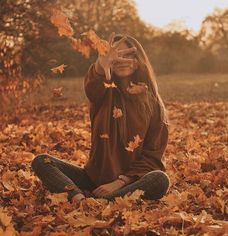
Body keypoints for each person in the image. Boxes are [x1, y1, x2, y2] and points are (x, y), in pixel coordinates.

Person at [31, 32, 170, 204]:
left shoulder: (153, 103)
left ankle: (103, 202)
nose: (121, 60)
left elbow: (152, 156)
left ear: (138, 61)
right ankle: (80, 199)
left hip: (128, 184)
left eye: (128, 55)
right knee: (41, 161)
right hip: (92, 179)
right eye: (117, 55)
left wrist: (119, 182)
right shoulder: (104, 91)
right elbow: (92, 85)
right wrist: (100, 65)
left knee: (159, 179)